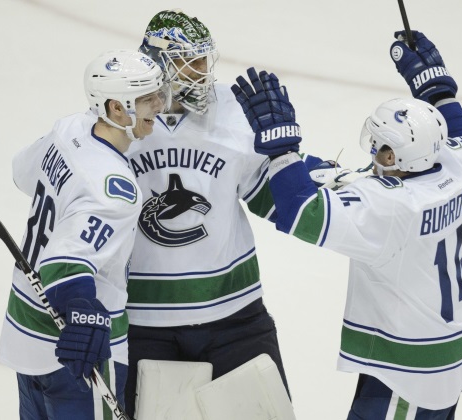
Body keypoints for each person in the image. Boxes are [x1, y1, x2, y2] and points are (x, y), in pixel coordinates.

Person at [231, 30, 462, 419]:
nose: (373, 149)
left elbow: (304, 213)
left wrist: (282, 152)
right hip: (450, 348)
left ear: (395, 155)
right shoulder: (458, 165)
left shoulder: (391, 207)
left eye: (381, 144)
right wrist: (435, 85)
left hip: (410, 366)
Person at [122, 9, 322, 416]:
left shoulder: (234, 109)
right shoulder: (119, 117)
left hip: (235, 316)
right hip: (144, 323)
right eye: (188, 61)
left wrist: (303, 168)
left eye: (203, 60)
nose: (201, 72)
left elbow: (269, 196)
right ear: (158, 63)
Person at [0, 50, 170, 419]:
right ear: (116, 107)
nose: (158, 105)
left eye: (158, 93)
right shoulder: (115, 191)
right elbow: (65, 263)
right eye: (146, 99)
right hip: (76, 352)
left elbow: (21, 172)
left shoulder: (69, 129)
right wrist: (84, 313)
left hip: (26, 334)